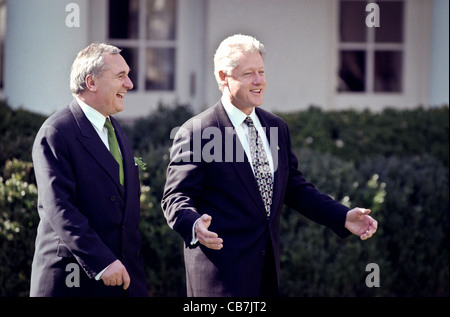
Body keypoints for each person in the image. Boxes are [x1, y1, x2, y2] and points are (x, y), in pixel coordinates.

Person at [161, 34, 378, 297]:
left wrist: (341, 216)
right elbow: (176, 197)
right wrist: (194, 224)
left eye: (261, 72)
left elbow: (294, 189)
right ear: (223, 77)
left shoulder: (276, 127)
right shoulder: (198, 131)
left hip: (266, 274)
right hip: (219, 279)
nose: (259, 81)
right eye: (248, 73)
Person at [30, 43, 148, 297]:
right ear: (91, 82)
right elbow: (59, 208)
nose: (129, 84)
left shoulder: (116, 131)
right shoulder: (56, 132)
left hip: (123, 281)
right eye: (120, 76)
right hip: (72, 282)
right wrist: (102, 261)